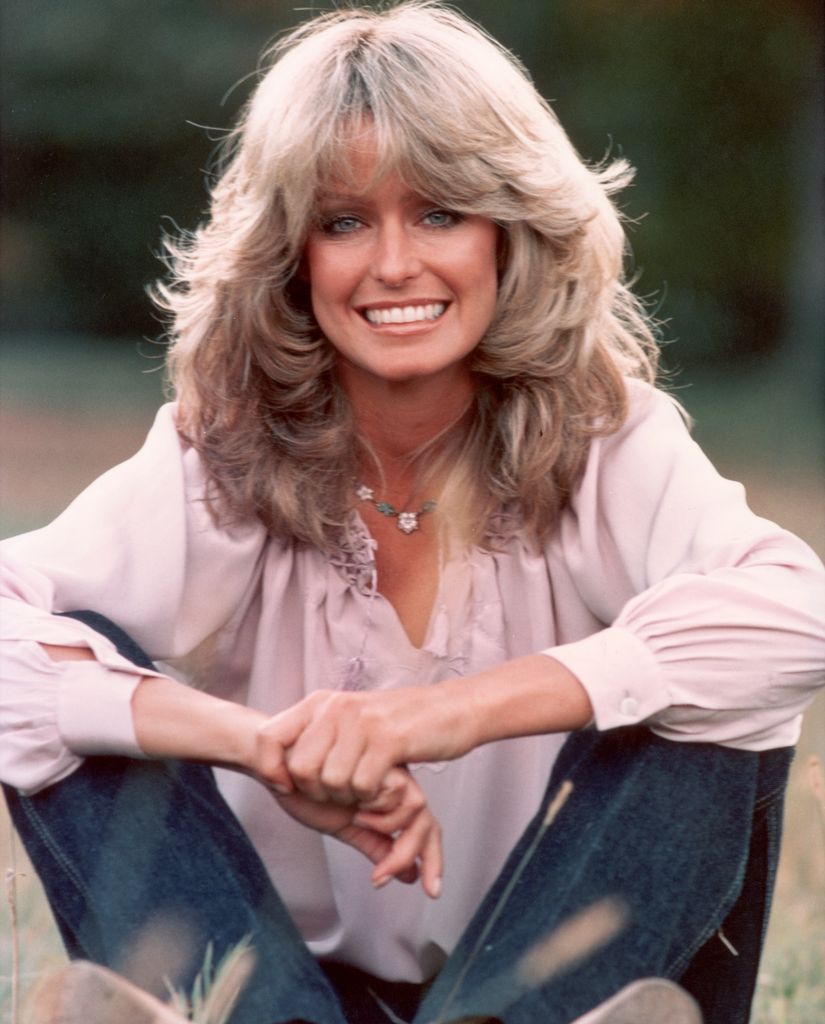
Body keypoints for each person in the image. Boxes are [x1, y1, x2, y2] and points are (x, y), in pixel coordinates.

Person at [1, 3, 823, 1023]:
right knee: (70, 664)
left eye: (441, 213)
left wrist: (437, 715)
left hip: (553, 988)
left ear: (511, 233)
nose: (394, 263)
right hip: (296, 995)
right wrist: (255, 742)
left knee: (711, 676)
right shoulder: (220, 453)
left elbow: (799, 610)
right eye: (345, 222)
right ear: (293, 256)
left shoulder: (607, 438)